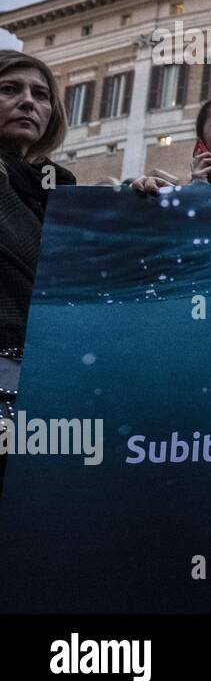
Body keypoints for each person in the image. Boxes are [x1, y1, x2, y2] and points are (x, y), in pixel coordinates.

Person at [0, 51, 75, 495]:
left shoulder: (57, 188)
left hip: (45, 395)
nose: (29, 102)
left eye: (41, 94)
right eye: (10, 90)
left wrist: (140, 204)